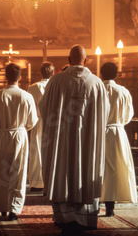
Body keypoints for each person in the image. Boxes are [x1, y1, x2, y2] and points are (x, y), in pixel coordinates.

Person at [39, 45, 108, 234]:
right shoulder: (97, 83)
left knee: (63, 171)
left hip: (63, 143)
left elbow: (44, 108)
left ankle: (65, 218)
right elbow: (105, 114)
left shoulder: (56, 81)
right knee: (86, 169)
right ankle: (85, 219)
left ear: (69, 60)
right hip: (88, 142)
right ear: (85, 61)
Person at [0, 63, 38, 221]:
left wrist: (2, 131)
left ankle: (2, 207)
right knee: (18, 172)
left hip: (3, 136)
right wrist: (21, 129)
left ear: (6, 77)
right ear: (20, 77)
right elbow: (32, 121)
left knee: (2, 171)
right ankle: (14, 209)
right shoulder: (26, 96)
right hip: (19, 136)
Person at [99, 62, 138, 217]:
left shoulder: (97, 89)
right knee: (115, 169)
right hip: (117, 133)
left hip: (99, 132)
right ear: (116, 74)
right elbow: (128, 116)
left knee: (98, 168)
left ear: (101, 74)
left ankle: (95, 203)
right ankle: (110, 207)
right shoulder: (123, 91)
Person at [27, 62, 55, 192]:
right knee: (51, 151)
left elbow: (29, 108)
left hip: (37, 121)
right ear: (53, 73)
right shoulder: (55, 85)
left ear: (40, 72)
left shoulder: (32, 88)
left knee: (36, 151)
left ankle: (37, 183)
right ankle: (51, 182)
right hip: (53, 122)